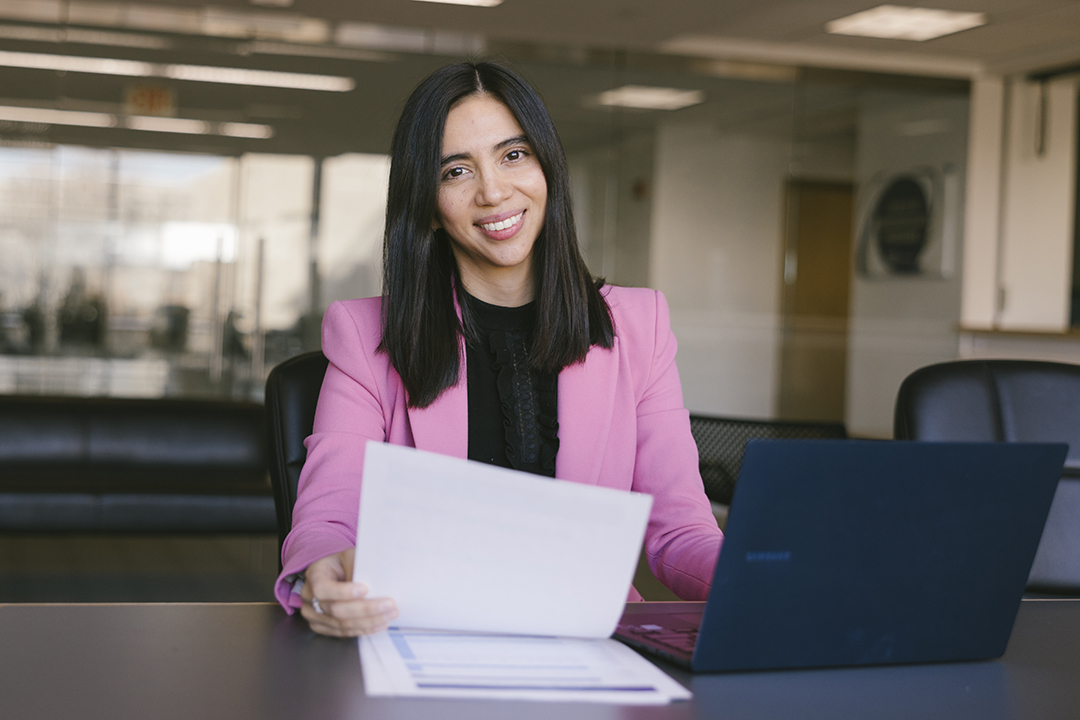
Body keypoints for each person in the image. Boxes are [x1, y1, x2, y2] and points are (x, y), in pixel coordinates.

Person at [274, 61, 724, 637]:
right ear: (429, 208)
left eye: (514, 155)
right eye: (456, 171)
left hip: (591, 640)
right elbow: (330, 515)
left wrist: (761, 581)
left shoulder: (641, 326)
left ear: (547, 168)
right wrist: (324, 570)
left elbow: (679, 530)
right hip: (423, 632)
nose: (493, 191)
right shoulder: (363, 335)